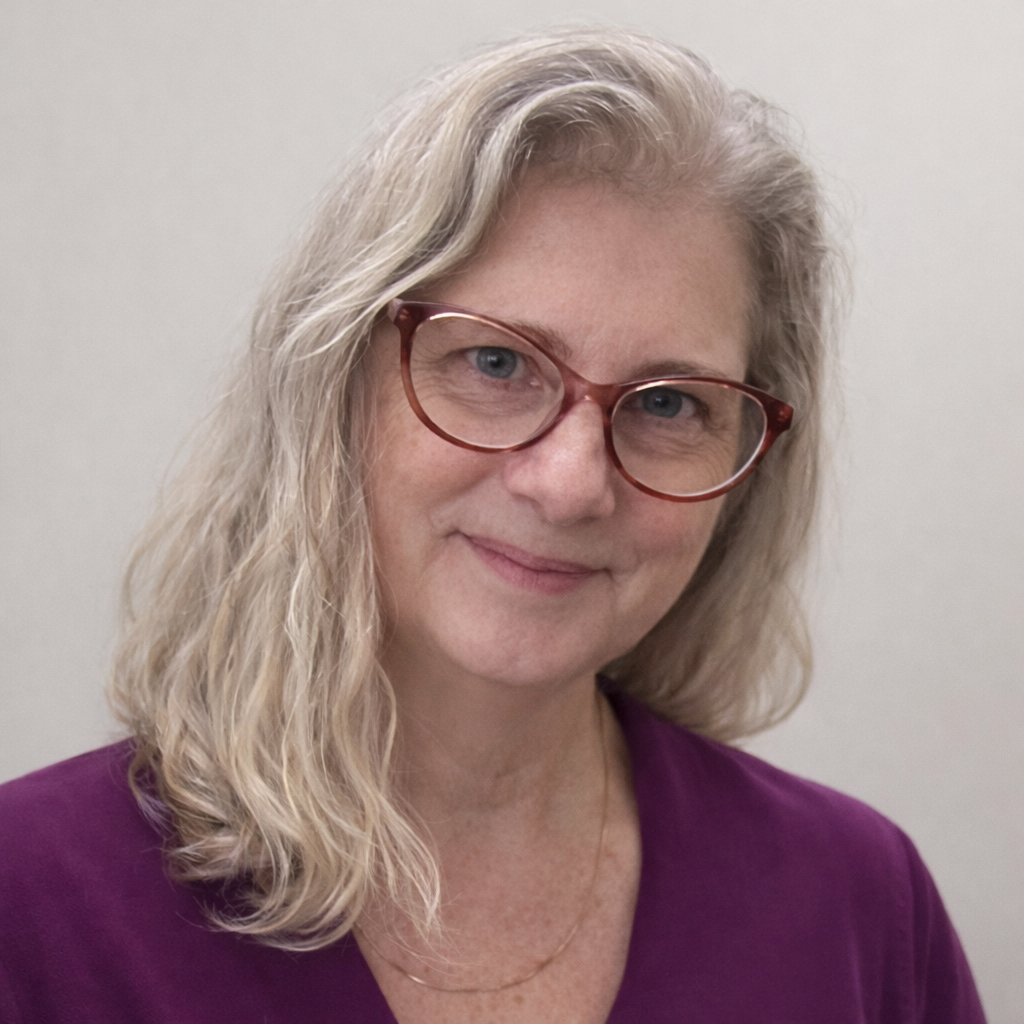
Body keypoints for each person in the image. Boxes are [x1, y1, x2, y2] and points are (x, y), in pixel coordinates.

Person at [0, 26, 985, 1024]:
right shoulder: (31, 907)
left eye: (668, 403)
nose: (568, 484)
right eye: (497, 364)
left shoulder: (859, 909)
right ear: (338, 380)